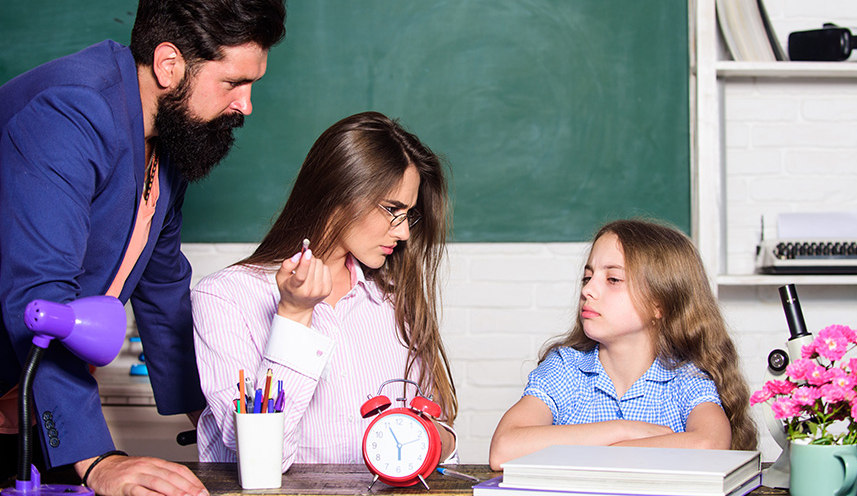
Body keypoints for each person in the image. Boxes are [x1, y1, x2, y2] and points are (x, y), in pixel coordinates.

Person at [0, 0, 286, 494]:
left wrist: (211, 417)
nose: (246, 105)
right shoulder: (69, 112)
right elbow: (40, 294)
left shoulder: (167, 135)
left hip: (29, 394)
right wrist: (98, 460)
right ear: (169, 64)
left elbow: (163, 287)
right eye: (233, 82)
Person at [191, 111, 459, 469]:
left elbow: (439, 432)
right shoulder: (225, 298)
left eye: (408, 214)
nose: (404, 232)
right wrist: (295, 316)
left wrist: (433, 440)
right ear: (342, 190)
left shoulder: (394, 299)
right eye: (393, 210)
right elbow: (260, 459)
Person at [488, 219, 757, 469]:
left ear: (659, 304)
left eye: (613, 279)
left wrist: (586, 449)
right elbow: (504, 449)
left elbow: (710, 445)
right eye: (587, 277)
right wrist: (623, 429)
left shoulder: (686, 379)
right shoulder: (565, 369)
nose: (587, 290)